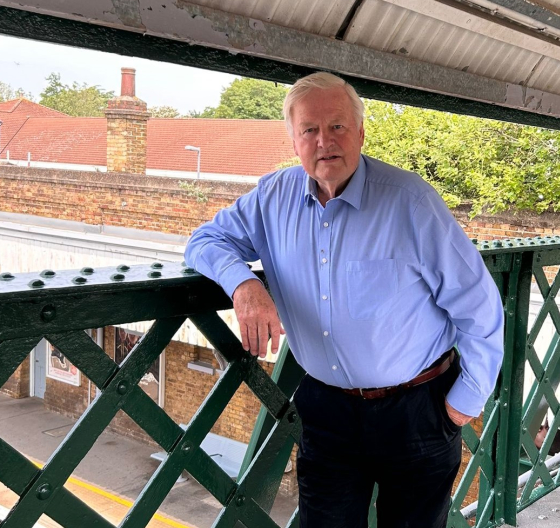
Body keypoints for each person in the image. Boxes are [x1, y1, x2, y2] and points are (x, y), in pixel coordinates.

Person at [184, 72, 504, 527]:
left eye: (337, 126)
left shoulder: (410, 202)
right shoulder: (272, 197)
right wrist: (243, 284)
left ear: (360, 133)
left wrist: (463, 404)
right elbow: (204, 240)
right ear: (294, 140)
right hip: (327, 410)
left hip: (416, 409)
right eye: (309, 130)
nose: (323, 141)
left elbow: (479, 305)